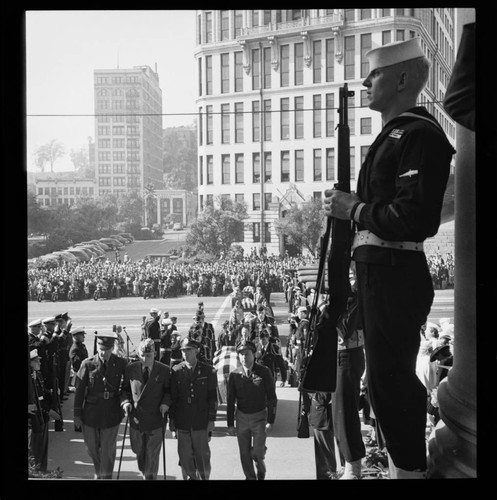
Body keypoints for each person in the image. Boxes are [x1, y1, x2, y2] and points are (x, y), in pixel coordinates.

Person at [324, 37, 455, 479]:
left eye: (375, 73)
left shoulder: (418, 135)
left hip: (394, 272)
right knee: (381, 383)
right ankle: (405, 469)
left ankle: (410, 473)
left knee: (391, 381)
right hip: (382, 272)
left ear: (402, 78)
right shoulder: (395, 135)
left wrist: (355, 209)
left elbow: (413, 218)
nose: (365, 81)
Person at [73, 331, 128, 479]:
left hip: (112, 412)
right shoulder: (88, 364)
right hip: (91, 413)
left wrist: (125, 402)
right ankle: (99, 470)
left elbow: (126, 387)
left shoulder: (121, 363)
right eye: (101, 350)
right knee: (91, 449)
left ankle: (105, 476)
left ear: (112, 349)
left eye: (107, 350)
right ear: (97, 348)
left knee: (107, 450)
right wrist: (77, 414)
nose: (103, 353)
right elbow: (79, 391)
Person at [121, 339, 172, 480]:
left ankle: (150, 477)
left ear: (155, 353)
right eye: (142, 355)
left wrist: (166, 403)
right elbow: (124, 390)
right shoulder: (131, 369)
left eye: (148, 355)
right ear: (138, 354)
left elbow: (169, 391)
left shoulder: (164, 370)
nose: (145, 358)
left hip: (156, 418)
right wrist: (125, 402)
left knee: (152, 453)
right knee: (139, 451)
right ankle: (146, 473)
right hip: (137, 419)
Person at [227, 340, 277, 480]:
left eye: (247, 354)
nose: (244, 357)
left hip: (260, 417)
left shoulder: (264, 372)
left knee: (257, 453)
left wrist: (271, 420)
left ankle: (260, 465)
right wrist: (230, 424)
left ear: (254, 354)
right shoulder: (234, 375)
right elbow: (230, 401)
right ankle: (250, 477)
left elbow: (272, 397)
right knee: (244, 453)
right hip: (242, 417)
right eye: (241, 354)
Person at [169, 338, 218, 480]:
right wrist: (171, 421)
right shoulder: (176, 371)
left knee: (202, 456)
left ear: (196, 350)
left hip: (200, 421)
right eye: (183, 350)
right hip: (182, 420)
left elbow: (212, 398)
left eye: (188, 350)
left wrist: (211, 420)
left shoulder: (208, 371)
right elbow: (173, 398)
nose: (185, 353)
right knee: (185, 456)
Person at [332, 286, 367, 480]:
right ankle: (347, 463)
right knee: (338, 414)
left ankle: (353, 468)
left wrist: (325, 307)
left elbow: (344, 329)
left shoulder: (356, 297)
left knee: (344, 413)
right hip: (342, 355)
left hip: (346, 355)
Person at [28, 349, 53, 472]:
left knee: (42, 445)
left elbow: (41, 393)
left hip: (42, 414)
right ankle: (35, 469)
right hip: (33, 417)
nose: (40, 363)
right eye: (37, 361)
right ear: (30, 362)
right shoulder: (30, 377)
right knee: (34, 446)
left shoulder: (37, 374)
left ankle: (42, 468)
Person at [308, 392, 337, 480]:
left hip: (323, 418)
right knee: (321, 455)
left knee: (325, 453)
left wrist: (310, 391)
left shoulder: (325, 379)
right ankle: (326, 475)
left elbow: (323, 398)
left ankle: (330, 475)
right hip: (319, 417)